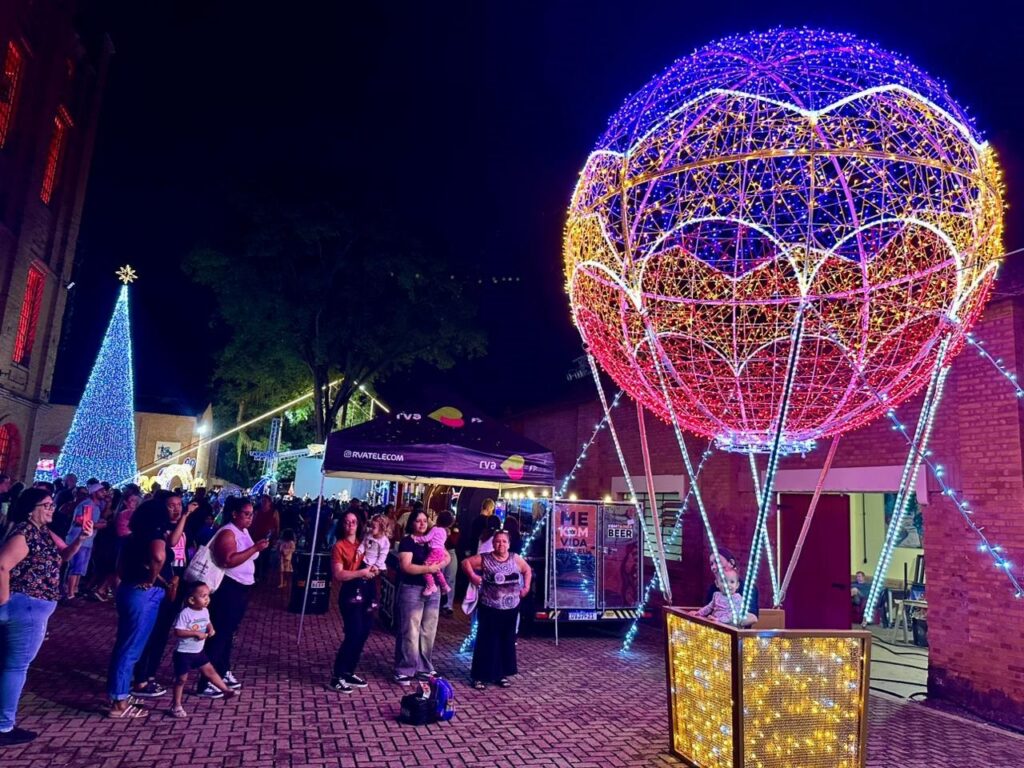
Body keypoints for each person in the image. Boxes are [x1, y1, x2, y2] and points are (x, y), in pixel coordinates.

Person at [0, 489, 91, 745]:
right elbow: (3, 565)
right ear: (31, 509)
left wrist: (81, 538)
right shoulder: (24, 533)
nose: (52, 509)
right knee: (16, 666)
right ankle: (4, 726)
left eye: (52, 504)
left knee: (11, 664)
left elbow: (64, 555)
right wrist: (4, 602)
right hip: (26, 607)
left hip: (33, 608)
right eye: (47, 505)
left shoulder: (43, 532)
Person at [106, 499, 173, 718]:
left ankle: (120, 693)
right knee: (131, 648)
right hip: (143, 594)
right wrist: (152, 578)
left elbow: (119, 566)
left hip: (128, 589)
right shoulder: (155, 535)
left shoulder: (132, 537)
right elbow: (159, 556)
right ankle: (119, 703)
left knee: (125, 644)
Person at [196, 496, 269, 698]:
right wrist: (255, 548)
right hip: (228, 588)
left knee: (228, 632)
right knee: (219, 633)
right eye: (246, 514)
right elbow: (227, 560)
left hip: (241, 588)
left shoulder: (242, 531)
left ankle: (222, 670)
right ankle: (206, 681)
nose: (250, 518)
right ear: (235, 514)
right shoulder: (227, 532)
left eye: (252, 514)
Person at [131, 492, 196, 698]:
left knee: (163, 630)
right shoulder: (158, 529)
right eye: (171, 505)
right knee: (150, 630)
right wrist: (185, 516)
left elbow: (187, 548)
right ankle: (140, 675)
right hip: (162, 581)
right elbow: (170, 544)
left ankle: (150, 673)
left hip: (177, 580)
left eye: (179, 504)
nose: (176, 509)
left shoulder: (184, 527)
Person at [462, 529, 531, 690]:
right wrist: (473, 576)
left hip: (511, 608)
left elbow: (527, 570)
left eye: (504, 541)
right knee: (486, 641)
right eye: (498, 541)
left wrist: (526, 587)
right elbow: (465, 563)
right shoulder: (485, 558)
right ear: (493, 544)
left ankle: (501, 674)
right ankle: (479, 676)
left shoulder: (515, 558)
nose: (501, 544)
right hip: (490, 607)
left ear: (509, 544)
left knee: (506, 641)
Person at [393, 510, 449, 685]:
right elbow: (406, 566)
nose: (422, 524)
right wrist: (429, 569)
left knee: (428, 630)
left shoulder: (432, 538)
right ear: (412, 523)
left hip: (433, 590)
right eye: (418, 521)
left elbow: (446, 556)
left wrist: (439, 564)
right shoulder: (408, 541)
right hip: (412, 588)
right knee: (410, 629)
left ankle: (424, 667)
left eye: (425, 520)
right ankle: (405, 668)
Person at [169, 582, 235, 718]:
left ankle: (226, 690)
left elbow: (207, 622)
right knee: (181, 679)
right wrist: (195, 634)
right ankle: (176, 705)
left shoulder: (205, 611)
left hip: (198, 652)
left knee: (210, 671)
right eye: (203, 596)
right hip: (184, 653)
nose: (207, 599)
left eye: (208, 596)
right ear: (192, 599)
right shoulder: (185, 613)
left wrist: (211, 629)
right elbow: (178, 631)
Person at [328, 511, 374, 694]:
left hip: (368, 591)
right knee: (353, 633)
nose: (350, 525)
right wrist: (360, 573)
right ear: (342, 524)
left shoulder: (364, 543)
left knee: (363, 632)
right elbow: (339, 574)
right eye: (347, 522)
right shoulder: (339, 546)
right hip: (350, 593)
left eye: (354, 522)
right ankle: (337, 675)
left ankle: (348, 671)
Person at [64, 482, 109, 600]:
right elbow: (80, 520)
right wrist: (98, 525)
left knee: (81, 567)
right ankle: (70, 593)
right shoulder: (87, 504)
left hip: (87, 541)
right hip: (78, 539)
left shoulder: (96, 506)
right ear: (94, 493)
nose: (104, 493)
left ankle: (75, 590)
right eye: (101, 491)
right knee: (75, 566)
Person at [705, 547, 760, 625]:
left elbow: (752, 618)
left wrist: (721, 620)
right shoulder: (713, 588)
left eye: (717, 562)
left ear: (731, 563)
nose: (713, 567)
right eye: (711, 564)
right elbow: (707, 614)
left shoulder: (748, 588)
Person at [355, 515, 391, 608]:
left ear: (382, 528)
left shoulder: (384, 541)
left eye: (374, 527)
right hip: (366, 560)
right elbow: (363, 544)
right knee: (361, 577)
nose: (371, 529)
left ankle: (373, 598)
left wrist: (377, 565)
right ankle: (360, 593)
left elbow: (383, 555)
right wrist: (359, 551)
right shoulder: (369, 535)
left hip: (375, 563)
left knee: (371, 582)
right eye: (371, 526)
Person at [414, 524, 450, 597]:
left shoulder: (435, 529)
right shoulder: (444, 531)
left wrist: (416, 539)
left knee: (426, 567)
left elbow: (426, 538)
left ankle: (431, 585)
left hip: (435, 551)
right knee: (437, 570)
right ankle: (445, 585)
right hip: (441, 552)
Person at [435, 511, 458, 616]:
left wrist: (449, 534)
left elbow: (455, 541)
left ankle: (448, 605)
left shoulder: (454, 529)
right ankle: (438, 602)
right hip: (439, 552)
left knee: (450, 579)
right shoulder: (436, 528)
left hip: (451, 552)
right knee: (439, 577)